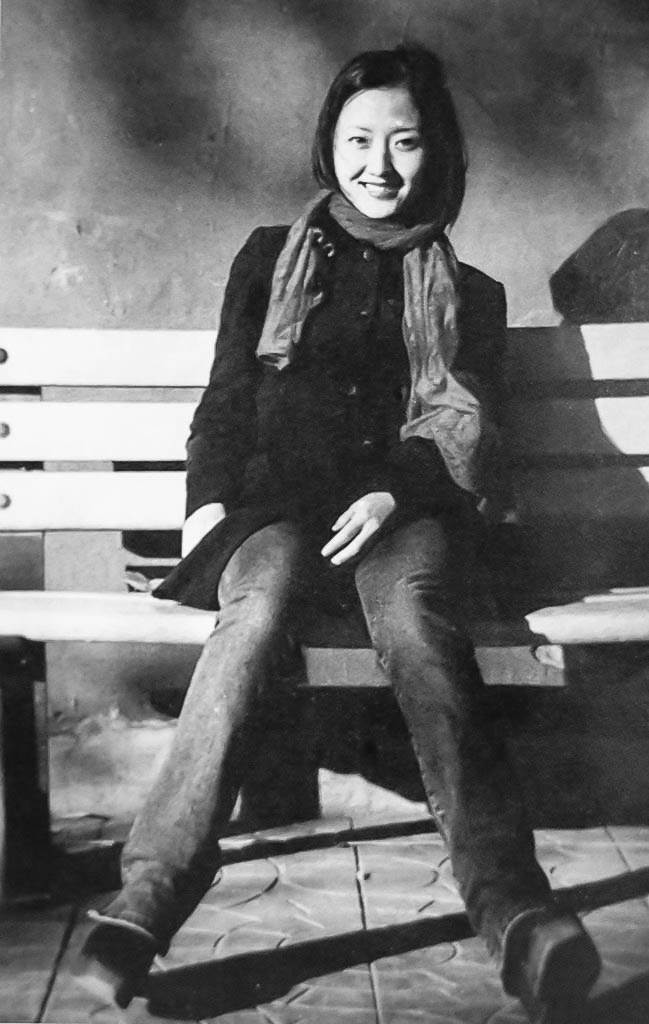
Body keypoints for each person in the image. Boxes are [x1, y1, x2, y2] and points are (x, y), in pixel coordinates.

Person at [76, 44, 601, 1023]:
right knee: (255, 607)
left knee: (417, 618)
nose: (379, 165)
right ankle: (146, 900)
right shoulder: (266, 258)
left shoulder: (470, 292)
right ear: (329, 146)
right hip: (271, 517)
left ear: (436, 153)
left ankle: (517, 910)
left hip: (400, 518)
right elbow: (225, 402)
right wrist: (206, 509)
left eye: (404, 142)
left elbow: (468, 428)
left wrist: (394, 494)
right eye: (359, 140)